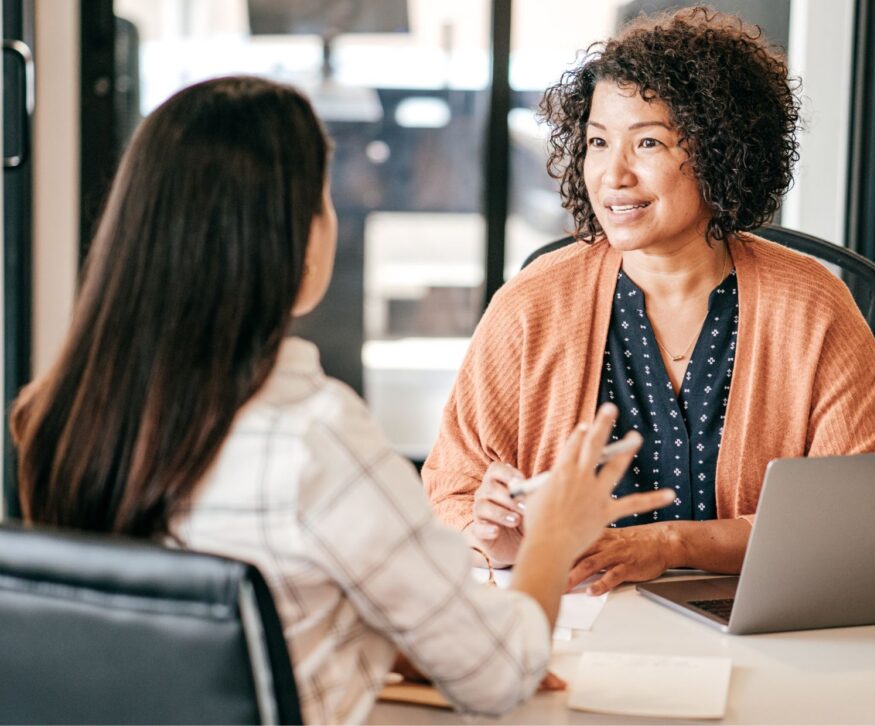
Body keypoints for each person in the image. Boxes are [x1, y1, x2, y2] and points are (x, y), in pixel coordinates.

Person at [9, 76, 672, 723]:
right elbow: (500, 674)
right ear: (293, 242)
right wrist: (552, 538)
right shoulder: (315, 438)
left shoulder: (60, 416)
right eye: (323, 200)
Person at [423, 7, 875, 596]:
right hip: (572, 616)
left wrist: (672, 544)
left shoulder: (812, 304)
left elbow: (860, 513)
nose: (613, 174)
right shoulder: (531, 304)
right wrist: (491, 534)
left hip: (755, 620)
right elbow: (452, 489)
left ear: (719, 150)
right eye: (598, 142)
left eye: (647, 141)